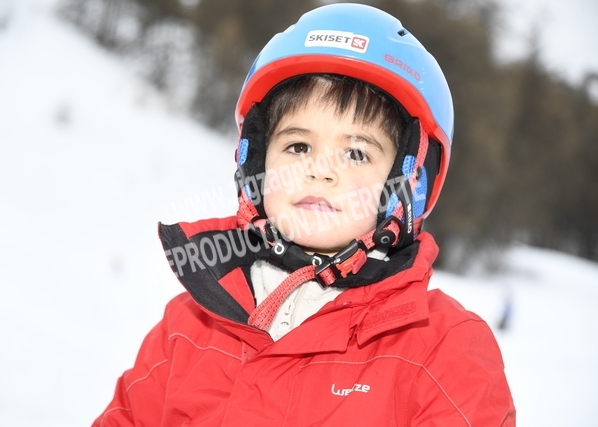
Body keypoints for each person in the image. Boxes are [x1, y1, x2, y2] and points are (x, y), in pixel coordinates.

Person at [93, 3, 515, 426]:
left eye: (356, 153)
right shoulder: (189, 325)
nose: (319, 170)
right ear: (255, 163)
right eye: (298, 146)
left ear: (409, 185)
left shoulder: (445, 350)